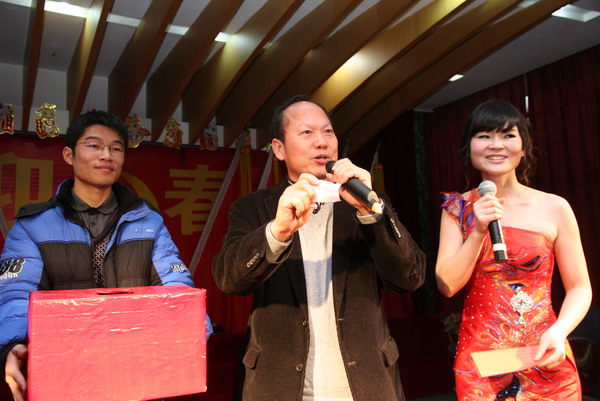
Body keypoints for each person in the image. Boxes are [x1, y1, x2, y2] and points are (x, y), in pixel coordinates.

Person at [212, 95, 426, 401]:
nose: (322, 142)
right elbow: (229, 279)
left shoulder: (364, 202)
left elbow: (410, 276)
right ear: (279, 149)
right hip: (280, 387)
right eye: (307, 132)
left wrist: (370, 212)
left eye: (328, 131)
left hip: (365, 385)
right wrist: (277, 231)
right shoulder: (253, 208)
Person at [0, 110, 212, 401]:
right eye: (94, 145)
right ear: (68, 155)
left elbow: (176, 287)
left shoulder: (149, 222)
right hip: (64, 376)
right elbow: (15, 294)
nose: (106, 155)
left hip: (137, 373)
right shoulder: (33, 225)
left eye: (116, 148)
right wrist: (12, 345)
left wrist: (194, 330)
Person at [435, 99, 592, 399]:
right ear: (469, 148)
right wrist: (479, 230)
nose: (496, 145)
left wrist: (559, 331)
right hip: (483, 364)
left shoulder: (555, 207)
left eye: (508, 135)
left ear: (523, 146)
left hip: (546, 352)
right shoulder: (457, 208)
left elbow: (580, 287)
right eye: (484, 136)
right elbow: (447, 285)